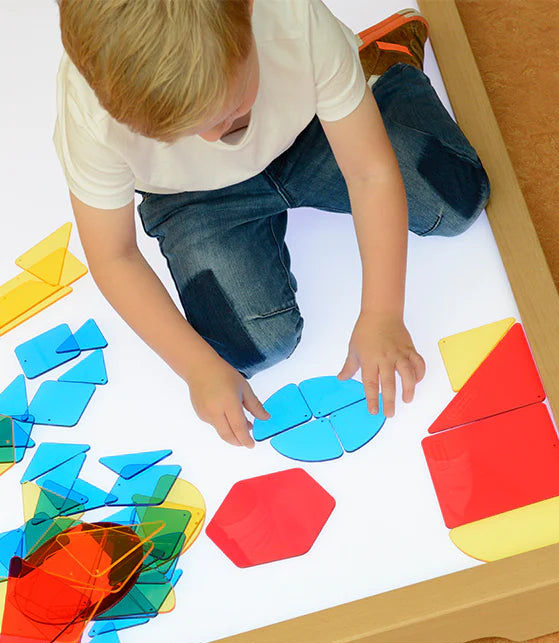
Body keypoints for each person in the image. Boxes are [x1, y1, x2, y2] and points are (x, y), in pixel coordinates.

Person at [55, 1, 490, 447]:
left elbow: (369, 172)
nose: (214, 137)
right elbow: (114, 255)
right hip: (194, 195)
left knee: (458, 196)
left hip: (309, 130)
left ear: (247, 16)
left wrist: (382, 313)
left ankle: (380, 65)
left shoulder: (292, 18)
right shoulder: (92, 113)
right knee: (241, 351)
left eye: (229, 110)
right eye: (183, 132)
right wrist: (198, 370)